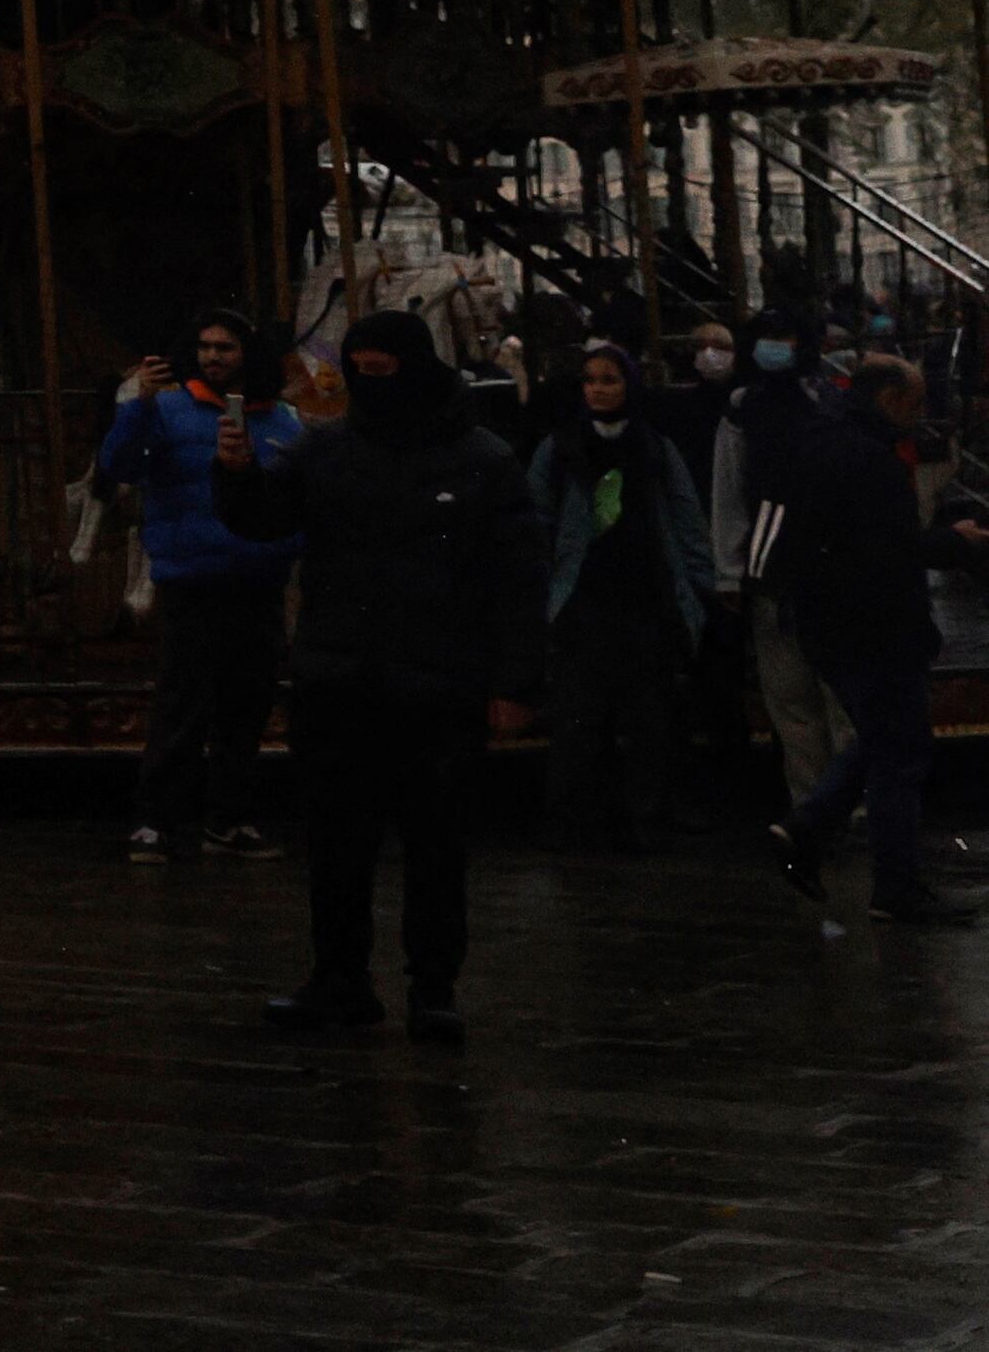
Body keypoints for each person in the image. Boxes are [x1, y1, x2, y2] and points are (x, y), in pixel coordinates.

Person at [213, 308, 546, 1041]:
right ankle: (340, 981)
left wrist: (514, 683)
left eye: (381, 372)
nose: (370, 386)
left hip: (437, 683)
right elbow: (263, 519)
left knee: (435, 845)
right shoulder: (327, 450)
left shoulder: (481, 459)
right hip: (341, 681)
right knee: (336, 846)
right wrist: (235, 475)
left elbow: (519, 579)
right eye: (359, 372)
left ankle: (432, 988)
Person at [766, 354, 982, 924]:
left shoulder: (820, 442)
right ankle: (892, 884)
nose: (920, 415)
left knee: (886, 738)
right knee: (899, 753)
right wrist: (958, 542)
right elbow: (893, 550)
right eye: (914, 403)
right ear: (889, 400)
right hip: (877, 628)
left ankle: (809, 828)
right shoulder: (871, 459)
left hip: (828, 623)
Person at [96, 306, 303, 861]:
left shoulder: (282, 420)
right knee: (183, 704)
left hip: (258, 578)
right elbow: (119, 465)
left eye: (225, 347)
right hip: (194, 577)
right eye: (206, 347)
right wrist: (138, 405)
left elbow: (295, 496)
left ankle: (228, 818)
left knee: (246, 706)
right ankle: (157, 820)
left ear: (247, 355)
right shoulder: (168, 409)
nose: (213, 357)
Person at [531, 337, 714, 850]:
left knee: (649, 714)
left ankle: (645, 812)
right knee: (581, 715)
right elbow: (537, 519)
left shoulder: (652, 445)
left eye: (609, 380)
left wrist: (700, 584)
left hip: (644, 595)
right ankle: (582, 816)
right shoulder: (561, 447)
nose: (599, 390)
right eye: (591, 381)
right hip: (584, 599)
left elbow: (684, 515)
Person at [708, 307, 849, 808]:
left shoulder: (826, 403)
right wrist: (730, 570)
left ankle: (839, 806)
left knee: (830, 701)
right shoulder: (747, 408)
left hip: (819, 572)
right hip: (776, 577)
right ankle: (816, 807)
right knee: (796, 704)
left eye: (782, 336)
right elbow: (729, 490)